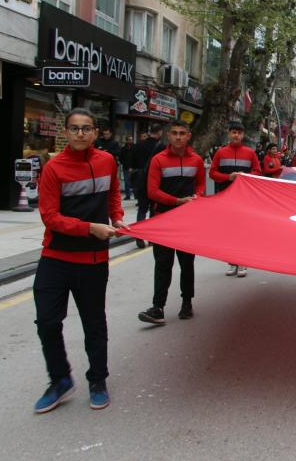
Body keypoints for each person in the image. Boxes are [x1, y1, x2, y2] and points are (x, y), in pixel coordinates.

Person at [32, 108, 127, 413]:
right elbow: (50, 217)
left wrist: (117, 217)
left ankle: (98, 380)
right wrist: (89, 228)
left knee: (94, 323)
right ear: (66, 133)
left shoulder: (107, 161)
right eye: (74, 128)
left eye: (86, 128)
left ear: (95, 133)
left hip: (93, 260)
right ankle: (60, 379)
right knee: (47, 322)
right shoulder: (53, 168)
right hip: (55, 258)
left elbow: (113, 193)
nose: (81, 134)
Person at [138, 120, 205, 325]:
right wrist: (177, 201)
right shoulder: (158, 160)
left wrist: (197, 196)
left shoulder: (197, 160)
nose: (178, 137)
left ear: (188, 136)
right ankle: (158, 307)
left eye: (182, 133)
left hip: (187, 221)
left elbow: (201, 184)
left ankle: (187, 303)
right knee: (163, 265)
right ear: (168, 136)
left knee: (187, 264)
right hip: (163, 220)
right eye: (174, 133)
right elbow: (152, 191)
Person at [209, 121, 261, 277]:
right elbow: (212, 173)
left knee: (243, 230)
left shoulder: (250, 153)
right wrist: (228, 177)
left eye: (239, 133)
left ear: (243, 135)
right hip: (226, 197)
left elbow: (258, 171)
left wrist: (245, 176)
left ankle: (243, 262)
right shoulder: (220, 153)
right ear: (229, 133)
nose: (236, 135)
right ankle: (231, 262)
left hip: (244, 198)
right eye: (233, 132)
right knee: (229, 230)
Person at [131, 123, 164, 245]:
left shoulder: (138, 145)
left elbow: (131, 163)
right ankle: (151, 238)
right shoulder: (161, 147)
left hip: (141, 182)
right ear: (159, 132)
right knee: (153, 210)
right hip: (155, 182)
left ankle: (139, 237)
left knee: (142, 209)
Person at [119, 136, 135, 200]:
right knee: (126, 181)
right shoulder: (123, 149)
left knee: (135, 181)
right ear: (126, 140)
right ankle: (128, 195)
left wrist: (133, 166)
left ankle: (136, 195)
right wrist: (124, 163)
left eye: (131, 139)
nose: (130, 141)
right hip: (126, 167)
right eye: (129, 139)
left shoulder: (135, 148)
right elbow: (120, 158)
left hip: (134, 167)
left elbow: (137, 157)